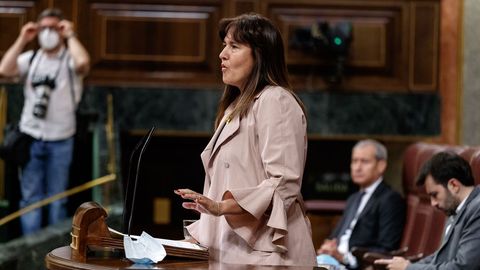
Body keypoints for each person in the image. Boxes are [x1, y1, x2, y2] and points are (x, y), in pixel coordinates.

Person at [174, 13, 316, 266]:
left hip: (268, 256)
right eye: (224, 45)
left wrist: (220, 207)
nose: (222, 54)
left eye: (234, 46)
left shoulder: (276, 100)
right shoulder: (234, 108)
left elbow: (283, 183)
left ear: (260, 55)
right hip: (232, 253)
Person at [0, 8, 90, 235]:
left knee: (57, 199)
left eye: (54, 28)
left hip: (61, 139)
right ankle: (31, 254)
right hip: (31, 137)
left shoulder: (69, 60)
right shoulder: (31, 59)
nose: (48, 33)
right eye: (44, 28)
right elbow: (4, 69)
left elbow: (83, 63)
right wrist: (23, 38)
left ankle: (52, 253)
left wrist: (70, 35)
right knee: (30, 200)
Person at [375, 151, 480, 270]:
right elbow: (441, 257)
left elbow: (464, 267)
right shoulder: (457, 208)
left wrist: (408, 268)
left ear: (454, 185)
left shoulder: (477, 209)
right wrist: (405, 264)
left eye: (435, 195)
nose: (432, 203)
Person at [317, 139, 406, 269]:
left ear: (381, 165)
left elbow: (386, 249)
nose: (357, 167)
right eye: (354, 161)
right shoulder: (353, 198)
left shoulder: (390, 200)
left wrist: (344, 258)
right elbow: (335, 237)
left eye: (364, 161)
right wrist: (329, 247)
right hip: (333, 262)